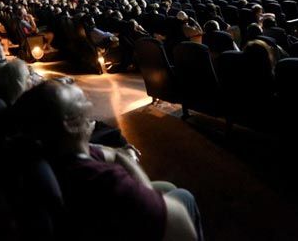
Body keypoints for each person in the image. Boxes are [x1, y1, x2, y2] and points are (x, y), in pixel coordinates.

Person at [13, 80, 203, 241]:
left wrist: (118, 155)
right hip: (115, 222)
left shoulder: (59, 150)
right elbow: (181, 225)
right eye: (82, 101)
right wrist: (125, 160)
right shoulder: (104, 179)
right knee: (184, 197)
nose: (90, 105)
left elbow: (107, 152)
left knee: (169, 188)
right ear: (69, 125)